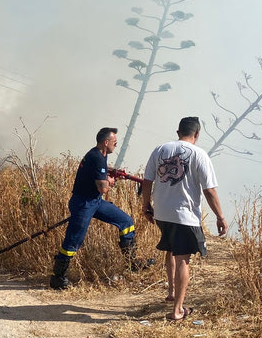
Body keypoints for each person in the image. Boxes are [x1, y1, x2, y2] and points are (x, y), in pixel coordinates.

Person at [140, 116, 227, 321]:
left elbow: (147, 181)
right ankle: (178, 310)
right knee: (183, 259)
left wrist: (146, 206)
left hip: (162, 213)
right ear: (196, 134)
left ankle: (171, 292)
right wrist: (220, 217)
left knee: (170, 249)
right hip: (184, 215)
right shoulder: (200, 155)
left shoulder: (160, 149)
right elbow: (209, 191)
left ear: (178, 132)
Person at [50, 127, 141, 290]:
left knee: (126, 222)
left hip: (95, 202)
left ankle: (132, 264)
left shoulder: (100, 155)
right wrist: (110, 181)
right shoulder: (97, 157)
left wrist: (108, 175)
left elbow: (97, 177)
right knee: (73, 241)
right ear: (106, 142)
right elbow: (103, 189)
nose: (116, 144)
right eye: (114, 142)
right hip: (84, 203)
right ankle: (58, 278)